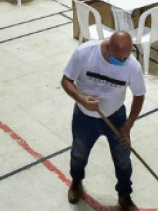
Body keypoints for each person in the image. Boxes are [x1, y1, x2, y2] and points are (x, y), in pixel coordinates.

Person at [61, 31, 145, 211]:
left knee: (123, 159)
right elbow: (66, 80)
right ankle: (76, 182)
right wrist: (80, 98)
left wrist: (128, 125)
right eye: (118, 58)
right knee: (78, 153)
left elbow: (139, 96)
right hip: (84, 117)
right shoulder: (84, 53)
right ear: (107, 46)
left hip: (116, 118)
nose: (122, 62)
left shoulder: (132, 66)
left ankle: (124, 196)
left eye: (126, 57)